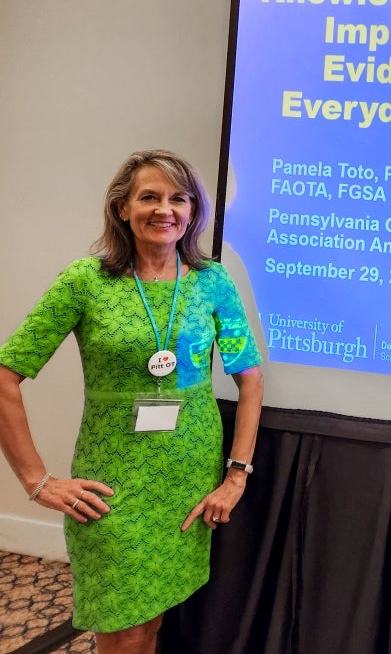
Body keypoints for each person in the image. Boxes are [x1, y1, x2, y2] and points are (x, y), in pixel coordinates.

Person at [0, 150, 264, 654]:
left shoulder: (211, 283)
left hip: (188, 479)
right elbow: (5, 374)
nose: (164, 209)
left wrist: (235, 477)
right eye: (149, 197)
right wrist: (37, 482)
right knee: (120, 629)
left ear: (192, 212)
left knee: (150, 625)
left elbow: (249, 380)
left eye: (178, 198)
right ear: (123, 208)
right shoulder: (86, 281)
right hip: (112, 483)